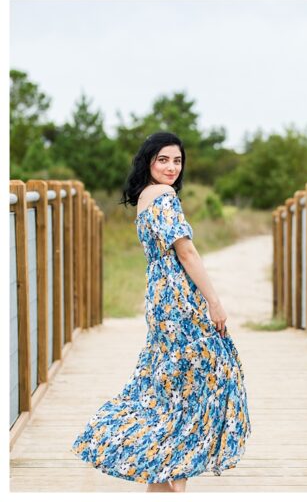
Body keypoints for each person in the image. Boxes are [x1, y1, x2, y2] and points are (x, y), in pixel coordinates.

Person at [72, 132, 251, 492]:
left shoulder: (143, 197)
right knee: (204, 375)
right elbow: (186, 252)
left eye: (177, 161)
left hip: (160, 299)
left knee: (172, 382)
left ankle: (169, 479)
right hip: (179, 299)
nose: (171, 167)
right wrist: (214, 301)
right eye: (163, 160)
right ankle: (170, 465)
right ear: (148, 162)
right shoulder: (164, 196)